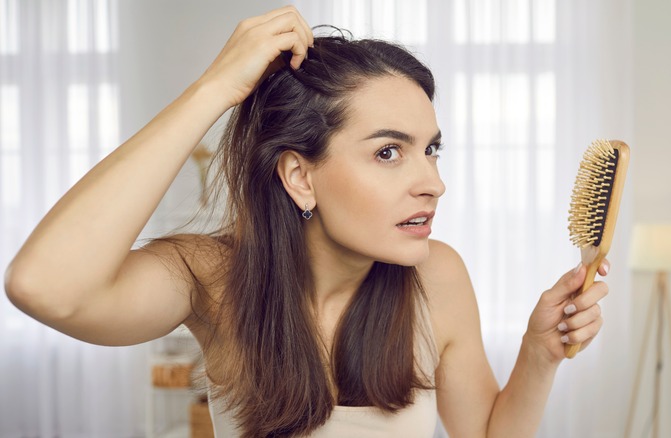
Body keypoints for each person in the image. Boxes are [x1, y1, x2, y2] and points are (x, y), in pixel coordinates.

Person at [4, 6, 609, 438]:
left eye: (431, 149)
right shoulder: (212, 277)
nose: (433, 182)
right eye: (388, 152)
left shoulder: (437, 275)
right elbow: (43, 286)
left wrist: (537, 353)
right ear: (299, 176)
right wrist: (214, 89)